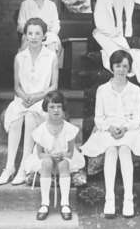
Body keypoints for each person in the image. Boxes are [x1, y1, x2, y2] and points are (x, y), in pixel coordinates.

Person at [80, 50, 140, 218]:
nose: (121, 69)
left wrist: (125, 128)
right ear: (111, 67)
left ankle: (128, 199)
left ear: (129, 68)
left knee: (123, 148)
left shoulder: (135, 90)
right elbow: (98, 118)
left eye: (125, 66)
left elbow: (138, 118)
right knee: (111, 150)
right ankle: (110, 199)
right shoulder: (102, 89)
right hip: (107, 130)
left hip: (130, 130)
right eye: (118, 65)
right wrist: (110, 128)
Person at [0, 18, 59, 186]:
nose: (33, 37)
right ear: (25, 35)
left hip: (42, 100)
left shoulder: (51, 56)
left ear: (44, 35)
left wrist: (37, 97)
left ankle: (24, 168)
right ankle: (9, 167)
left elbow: (53, 86)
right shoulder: (20, 57)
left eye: (38, 33)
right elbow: (16, 87)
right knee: (16, 117)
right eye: (30, 33)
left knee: (31, 116)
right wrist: (24, 97)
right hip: (23, 98)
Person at [25, 90, 85, 221]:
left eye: (59, 106)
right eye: (51, 107)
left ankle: (65, 203)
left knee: (64, 163)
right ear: (46, 109)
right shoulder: (41, 130)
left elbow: (70, 152)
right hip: (47, 162)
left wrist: (62, 154)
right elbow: (39, 154)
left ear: (63, 108)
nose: (56, 110)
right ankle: (44, 203)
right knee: (46, 162)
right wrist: (50, 156)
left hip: (64, 160)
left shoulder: (69, 129)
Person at [93, 0, 140, 86]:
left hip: (113, 32)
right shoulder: (102, 1)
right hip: (105, 33)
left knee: (137, 54)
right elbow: (100, 24)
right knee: (119, 49)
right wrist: (113, 32)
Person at [17, 0, 63, 66]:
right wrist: (32, 31)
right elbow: (20, 25)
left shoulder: (51, 5)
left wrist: (46, 33)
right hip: (30, 37)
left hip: (48, 37)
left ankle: (48, 76)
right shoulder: (26, 4)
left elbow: (56, 25)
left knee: (52, 43)